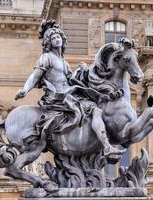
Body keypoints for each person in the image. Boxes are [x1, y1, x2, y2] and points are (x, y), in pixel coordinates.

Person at [15, 20, 124, 157]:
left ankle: (99, 144)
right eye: (53, 38)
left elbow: (71, 79)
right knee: (94, 109)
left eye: (58, 37)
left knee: (95, 103)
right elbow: (35, 76)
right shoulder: (46, 57)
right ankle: (106, 146)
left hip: (68, 93)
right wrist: (25, 90)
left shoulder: (64, 62)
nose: (56, 39)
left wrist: (83, 70)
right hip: (57, 96)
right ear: (49, 42)